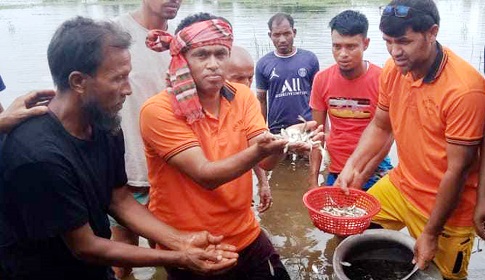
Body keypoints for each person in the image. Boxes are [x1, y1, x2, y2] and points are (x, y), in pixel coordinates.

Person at [0, 16, 238, 280]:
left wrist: (182, 239)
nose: (127, 90)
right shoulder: (38, 155)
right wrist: (180, 257)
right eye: (118, 79)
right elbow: (84, 246)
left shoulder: (104, 125)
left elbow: (119, 199)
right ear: (78, 81)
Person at [141, 12, 322, 279]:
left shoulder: (243, 97)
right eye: (202, 55)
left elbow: (265, 162)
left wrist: (283, 142)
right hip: (190, 243)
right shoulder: (159, 111)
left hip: (244, 230)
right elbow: (206, 175)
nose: (213, 64)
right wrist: (263, 148)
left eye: (220, 54)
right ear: (181, 59)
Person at [335, 1, 485, 279]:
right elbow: (380, 125)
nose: (394, 51)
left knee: (443, 275)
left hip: (449, 208)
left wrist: (430, 232)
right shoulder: (394, 70)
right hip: (401, 184)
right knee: (351, 229)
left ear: (432, 32)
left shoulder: (465, 90)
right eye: (388, 42)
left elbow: (458, 170)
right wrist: (352, 166)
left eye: (404, 41)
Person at [110, 0, 182, 277]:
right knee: (122, 253)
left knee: (173, 253)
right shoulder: (115, 35)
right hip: (127, 169)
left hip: (171, 169)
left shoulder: (179, 43)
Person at [309, 10, 393, 189]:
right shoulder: (321, 79)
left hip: (375, 166)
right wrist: (313, 181)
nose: (343, 54)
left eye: (351, 46)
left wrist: (362, 176)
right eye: (337, 46)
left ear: (366, 44)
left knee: (376, 216)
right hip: (337, 167)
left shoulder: (383, 79)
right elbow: (317, 136)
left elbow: (388, 135)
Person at [255, 12, 319, 134]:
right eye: (277, 35)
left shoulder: (310, 59)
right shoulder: (263, 64)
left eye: (287, 34)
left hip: (306, 126)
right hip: (277, 129)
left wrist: (320, 127)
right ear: (270, 35)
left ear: (294, 32)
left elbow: (318, 96)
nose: (282, 40)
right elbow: (261, 100)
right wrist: (261, 131)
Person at [226, 45, 272, 213]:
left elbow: (255, 146)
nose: (246, 85)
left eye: (250, 78)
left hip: (240, 191)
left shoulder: (248, 102)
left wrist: (263, 183)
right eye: (238, 78)